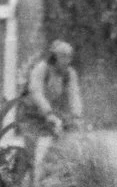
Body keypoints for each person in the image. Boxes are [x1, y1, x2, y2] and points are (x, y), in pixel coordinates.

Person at [20, 40, 83, 168]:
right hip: (31, 113)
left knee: (61, 144)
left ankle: (47, 171)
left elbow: (74, 94)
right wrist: (48, 113)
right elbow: (36, 91)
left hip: (51, 113)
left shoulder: (69, 73)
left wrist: (77, 116)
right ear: (54, 57)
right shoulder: (41, 69)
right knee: (29, 153)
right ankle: (26, 181)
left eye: (69, 56)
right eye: (63, 56)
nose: (67, 60)